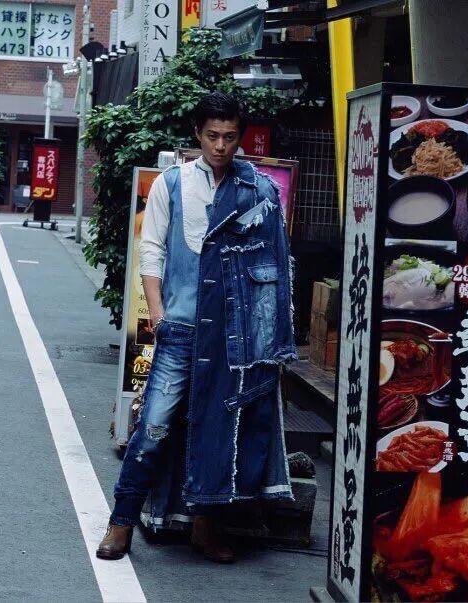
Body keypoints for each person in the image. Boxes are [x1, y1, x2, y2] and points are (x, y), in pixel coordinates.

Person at [96, 92, 297, 563]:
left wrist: (270, 338)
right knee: (154, 427)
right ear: (197, 135)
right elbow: (152, 251)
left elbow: (275, 266)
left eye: (230, 136)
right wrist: (159, 316)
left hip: (236, 338)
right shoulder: (171, 184)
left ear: (240, 137)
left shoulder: (259, 189)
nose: (221, 146)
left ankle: (205, 529)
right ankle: (120, 522)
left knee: (219, 430)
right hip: (181, 331)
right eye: (212, 136)